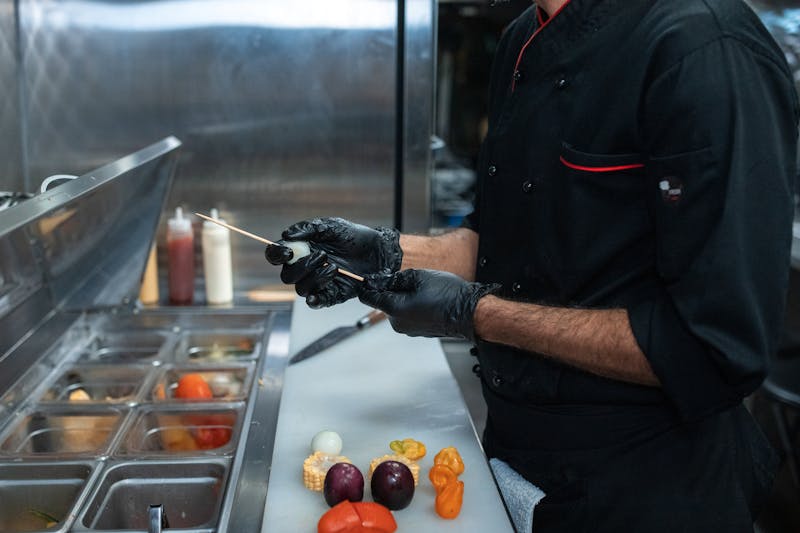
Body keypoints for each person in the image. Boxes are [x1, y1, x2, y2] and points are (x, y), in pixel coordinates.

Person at [266, 0, 799, 530]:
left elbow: (711, 347)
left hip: (647, 489)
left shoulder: (705, 51)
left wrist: (473, 314)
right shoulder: (525, 37)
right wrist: (383, 253)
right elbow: (503, 242)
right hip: (521, 462)